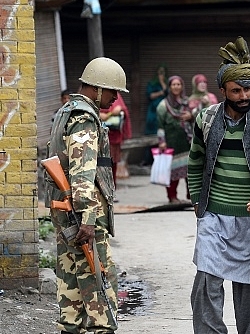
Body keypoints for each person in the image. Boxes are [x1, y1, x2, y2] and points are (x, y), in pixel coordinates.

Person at [187, 36, 250, 334]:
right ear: (223, 92)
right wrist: (197, 201)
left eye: (248, 89)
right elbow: (195, 162)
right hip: (214, 218)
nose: (244, 96)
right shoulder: (206, 119)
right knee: (205, 289)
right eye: (236, 90)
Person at [45, 57, 127, 334]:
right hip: (81, 213)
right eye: (113, 91)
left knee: (70, 276)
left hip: (64, 210)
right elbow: (82, 173)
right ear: (96, 88)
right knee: (98, 278)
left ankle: (71, 328)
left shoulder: (65, 112)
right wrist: (88, 217)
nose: (116, 98)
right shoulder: (84, 120)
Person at [156, 75, 193, 204]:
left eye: (179, 84)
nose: (176, 87)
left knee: (191, 171)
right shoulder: (163, 105)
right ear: (170, 87)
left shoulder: (187, 102)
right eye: (173, 84)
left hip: (187, 142)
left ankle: (192, 196)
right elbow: (160, 126)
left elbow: (197, 119)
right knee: (172, 172)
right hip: (171, 142)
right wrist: (162, 141)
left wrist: (191, 116)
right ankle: (172, 197)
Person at [99, 92, 132, 188]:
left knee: (112, 164)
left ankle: (112, 191)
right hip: (98, 137)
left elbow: (122, 109)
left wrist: (118, 110)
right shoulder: (95, 91)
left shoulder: (115, 93)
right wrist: (102, 114)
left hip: (114, 137)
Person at [143, 64, 168, 165]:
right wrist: (160, 93)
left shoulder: (167, 83)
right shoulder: (152, 83)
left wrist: (162, 82)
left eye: (163, 72)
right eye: (159, 72)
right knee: (150, 136)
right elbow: (150, 95)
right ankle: (148, 159)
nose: (161, 74)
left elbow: (168, 93)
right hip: (152, 114)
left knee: (162, 136)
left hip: (163, 114)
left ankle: (161, 159)